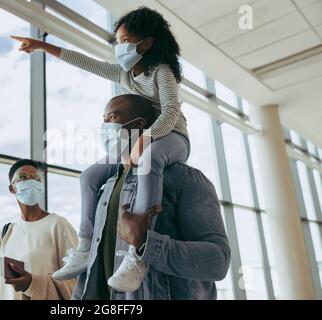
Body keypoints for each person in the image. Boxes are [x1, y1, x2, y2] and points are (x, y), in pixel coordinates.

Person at [11, 6, 190, 292]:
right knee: (91, 174)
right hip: (141, 140)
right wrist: (42, 45)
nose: (120, 46)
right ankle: (83, 247)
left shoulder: (161, 72)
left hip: (173, 137)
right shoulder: (124, 74)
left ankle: (138, 253)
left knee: (149, 160)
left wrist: (145, 137)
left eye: (125, 40)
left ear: (145, 43)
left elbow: (170, 112)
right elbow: (85, 62)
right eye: (118, 40)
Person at [70, 94, 230, 299]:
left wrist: (147, 243)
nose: (104, 127)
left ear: (138, 124)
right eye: (103, 120)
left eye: (112, 118)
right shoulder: (107, 186)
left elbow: (218, 262)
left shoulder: (185, 180)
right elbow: (95, 265)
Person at [0, 159, 77, 300]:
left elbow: (76, 281)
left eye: (36, 178)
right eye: (23, 177)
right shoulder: (7, 232)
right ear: (12, 188)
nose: (31, 182)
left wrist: (33, 283)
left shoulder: (58, 225)